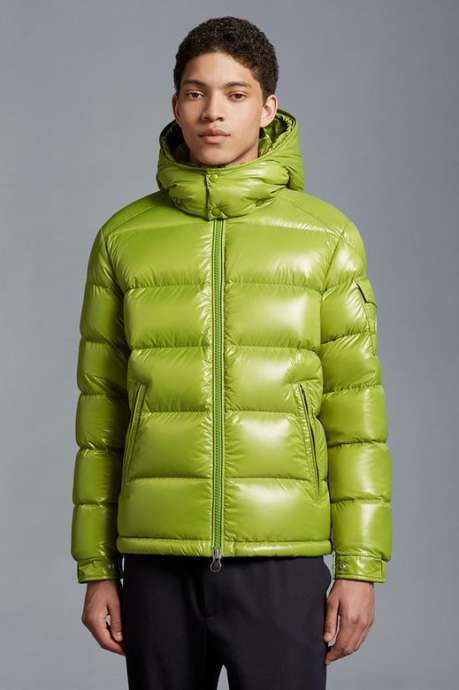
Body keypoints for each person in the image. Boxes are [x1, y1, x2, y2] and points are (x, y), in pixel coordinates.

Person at [70, 15, 392, 690]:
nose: (213, 111)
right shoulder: (123, 238)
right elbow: (102, 418)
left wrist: (359, 567)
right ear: (175, 104)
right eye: (196, 92)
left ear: (268, 108)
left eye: (235, 93)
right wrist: (97, 569)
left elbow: (355, 417)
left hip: (281, 559)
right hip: (156, 564)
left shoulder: (326, 238)